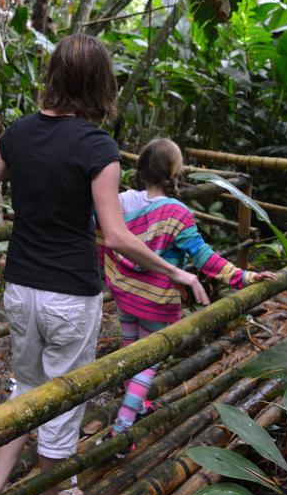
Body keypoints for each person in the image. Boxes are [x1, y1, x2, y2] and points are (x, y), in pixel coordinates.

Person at [0, 36, 208, 495]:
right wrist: (177, 271)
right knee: (63, 395)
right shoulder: (98, 147)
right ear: (100, 84)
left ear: (53, 77)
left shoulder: (18, 133)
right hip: (70, 294)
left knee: (25, 386)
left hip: (21, 288)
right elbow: (114, 235)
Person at [99, 137, 277, 441]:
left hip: (125, 294)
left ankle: (137, 404)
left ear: (141, 169)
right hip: (156, 303)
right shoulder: (176, 213)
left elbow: (99, 229)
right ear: (174, 171)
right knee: (146, 365)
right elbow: (203, 258)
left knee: (130, 354)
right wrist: (243, 276)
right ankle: (120, 431)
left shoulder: (121, 202)